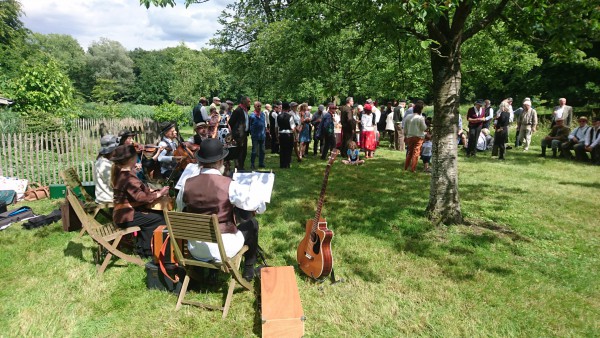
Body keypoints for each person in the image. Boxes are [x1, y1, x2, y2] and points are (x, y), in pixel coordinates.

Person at [176, 138, 263, 281]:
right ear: (221, 162)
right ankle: (248, 269)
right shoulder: (229, 185)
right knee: (252, 224)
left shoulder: (187, 184)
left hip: (196, 248)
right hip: (224, 249)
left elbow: (181, 210)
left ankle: (207, 271)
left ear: (200, 162)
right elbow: (255, 207)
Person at [111, 144, 170, 257]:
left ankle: (143, 248)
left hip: (124, 214)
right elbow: (141, 197)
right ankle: (148, 251)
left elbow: (140, 192)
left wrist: (155, 191)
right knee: (159, 219)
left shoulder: (124, 173)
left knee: (155, 216)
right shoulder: (127, 177)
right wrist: (159, 193)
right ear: (131, 159)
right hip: (125, 216)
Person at [94, 135, 118, 204]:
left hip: (105, 197)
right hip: (108, 199)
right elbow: (114, 184)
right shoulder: (105, 164)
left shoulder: (101, 160)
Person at [404, 102, 427, 172]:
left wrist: (406, 135)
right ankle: (413, 169)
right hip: (418, 137)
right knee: (416, 153)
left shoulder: (408, 117)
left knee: (409, 152)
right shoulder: (421, 118)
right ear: (420, 110)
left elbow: (405, 128)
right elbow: (424, 128)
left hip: (410, 136)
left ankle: (406, 167)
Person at [229, 96, 251, 170]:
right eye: (248, 101)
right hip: (239, 135)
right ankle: (239, 167)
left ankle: (241, 166)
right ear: (244, 102)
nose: (249, 103)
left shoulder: (245, 110)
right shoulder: (238, 110)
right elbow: (231, 122)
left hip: (244, 134)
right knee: (239, 151)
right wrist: (236, 131)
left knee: (244, 152)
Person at [249, 101, 267, 169]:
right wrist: (251, 133)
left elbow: (264, 124)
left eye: (260, 106)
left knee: (262, 150)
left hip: (262, 135)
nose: (259, 107)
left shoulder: (262, 114)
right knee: (254, 151)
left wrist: (265, 131)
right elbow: (250, 125)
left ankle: (261, 163)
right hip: (255, 136)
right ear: (254, 106)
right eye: (258, 106)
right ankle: (252, 163)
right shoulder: (252, 115)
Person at [277, 102, 296, 168]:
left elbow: (276, 127)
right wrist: (295, 136)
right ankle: (287, 164)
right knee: (289, 149)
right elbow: (293, 128)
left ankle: (282, 164)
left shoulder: (278, 116)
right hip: (288, 134)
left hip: (281, 134)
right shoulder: (290, 117)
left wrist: (277, 135)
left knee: (282, 149)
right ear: (288, 108)